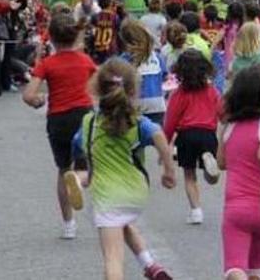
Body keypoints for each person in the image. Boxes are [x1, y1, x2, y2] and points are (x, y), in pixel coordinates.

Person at [67, 59, 177, 280]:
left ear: (97, 88)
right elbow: (158, 134)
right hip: (136, 191)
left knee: (112, 259)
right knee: (123, 221)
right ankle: (150, 264)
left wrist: (81, 171)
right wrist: (168, 169)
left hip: (107, 194)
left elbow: (77, 145)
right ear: (133, 89)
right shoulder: (137, 122)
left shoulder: (89, 122)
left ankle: (78, 180)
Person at [22, 14, 98, 239]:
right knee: (87, 167)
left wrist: (38, 101)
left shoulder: (47, 64)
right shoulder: (85, 61)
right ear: (76, 37)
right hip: (83, 116)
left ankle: (68, 224)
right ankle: (80, 181)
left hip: (57, 119)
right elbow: (101, 83)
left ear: (51, 39)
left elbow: (28, 95)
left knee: (63, 168)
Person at [217, 65, 260, 280]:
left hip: (237, 207)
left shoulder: (229, 126)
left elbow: (221, 162)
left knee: (235, 267)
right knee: (257, 268)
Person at [163, 48, 223, 225]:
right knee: (209, 176)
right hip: (208, 133)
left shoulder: (179, 94)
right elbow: (222, 112)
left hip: (187, 135)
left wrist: (165, 145)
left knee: (189, 175)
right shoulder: (212, 91)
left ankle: (196, 211)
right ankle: (207, 159)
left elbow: (170, 122)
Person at [118, 19, 168, 126]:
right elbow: (165, 77)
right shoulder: (156, 57)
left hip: (136, 105)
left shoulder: (123, 60)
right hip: (157, 105)